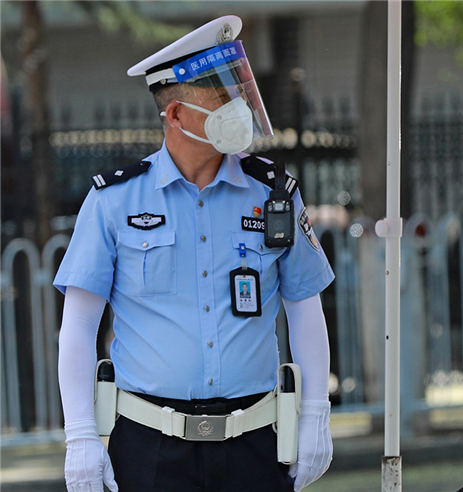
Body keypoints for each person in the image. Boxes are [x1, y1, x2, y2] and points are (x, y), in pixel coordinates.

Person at [55, 15, 335, 492]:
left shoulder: (274, 194)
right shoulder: (114, 201)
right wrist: (80, 434)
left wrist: (314, 414)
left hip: (255, 444)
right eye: (219, 95)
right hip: (149, 448)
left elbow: (305, 308)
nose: (237, 105)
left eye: (237, 90)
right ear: (175, 114)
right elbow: (79, 325)